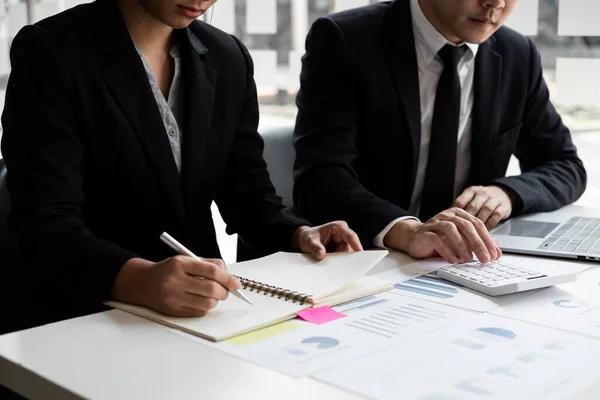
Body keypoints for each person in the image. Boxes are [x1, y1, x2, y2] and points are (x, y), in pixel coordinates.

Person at [0, 0, 362, 329]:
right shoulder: (53, 49)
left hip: (204, 314)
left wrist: (298, 234)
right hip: (81, 316)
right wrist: (138, 279)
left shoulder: (227, 57)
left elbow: (249, 196)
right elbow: (43, 223)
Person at [293, 0, 586, 265]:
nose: (495, 3)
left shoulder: (517, 54)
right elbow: (320, 178)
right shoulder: (345, 39)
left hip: (461, 263)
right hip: (363, 257)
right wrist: (407, 231)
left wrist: (506, 193)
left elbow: (565, 166)